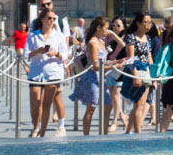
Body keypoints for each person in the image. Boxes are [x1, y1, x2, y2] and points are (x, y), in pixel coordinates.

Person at [27, 9, 69, 138]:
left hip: (53, 72)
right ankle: (36, 127)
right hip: (36, 71)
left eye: (53, 19)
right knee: (35, 101)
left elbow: (65, 54)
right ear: (42, 19)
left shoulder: (58, 35)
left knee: (47, 103)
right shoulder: (33, 35)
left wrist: (56, 53)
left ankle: (42, 133)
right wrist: (38, 51)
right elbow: (26, 54)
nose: (51, 21)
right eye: (49, 18)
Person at [69, 17, 114, 136]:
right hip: (92, 77)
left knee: (108, 105)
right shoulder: (93, 43)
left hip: (101, 77)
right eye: (106, 28)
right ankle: (86, 135)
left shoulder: (101, 42)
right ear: (98, 28)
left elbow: (104, 61)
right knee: (91, 107)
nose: (107, 31)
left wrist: (117, 62)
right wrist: (115, 66)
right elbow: (95, 66)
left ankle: (104, 134)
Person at [122, 12, 158, 134]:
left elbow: (149, 57)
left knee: (141, 103)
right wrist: (134, 75)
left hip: (146, 70)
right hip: (136, 69)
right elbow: (131, 57)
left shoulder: (147, 38)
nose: (148, 25)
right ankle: (138, 132)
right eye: (145, 23)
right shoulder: (131, 37)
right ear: (138, 23)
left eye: (150, 23)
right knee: (139, 104)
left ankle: (129, 131)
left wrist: (153, 74)